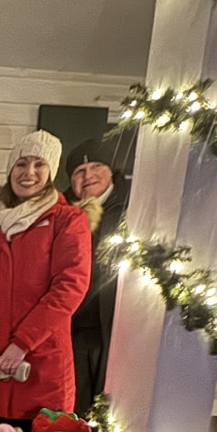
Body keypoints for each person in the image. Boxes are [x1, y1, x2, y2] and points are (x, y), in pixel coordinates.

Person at [0, 130, 92, 432]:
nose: (29, 172)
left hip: (41, 373)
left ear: (51, 172)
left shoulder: (68, 221)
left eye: (39, 164)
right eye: (21, 164)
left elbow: (69, 288)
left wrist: (22, 344)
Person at [65, 138, 131, 416]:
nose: (88, 175)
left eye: (96, 167)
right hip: (73, 329)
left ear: (111, 171)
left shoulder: (132, 207)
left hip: (117, 327)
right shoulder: (63, 212)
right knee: (74, 407)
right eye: (80, 171)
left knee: (112, 409)